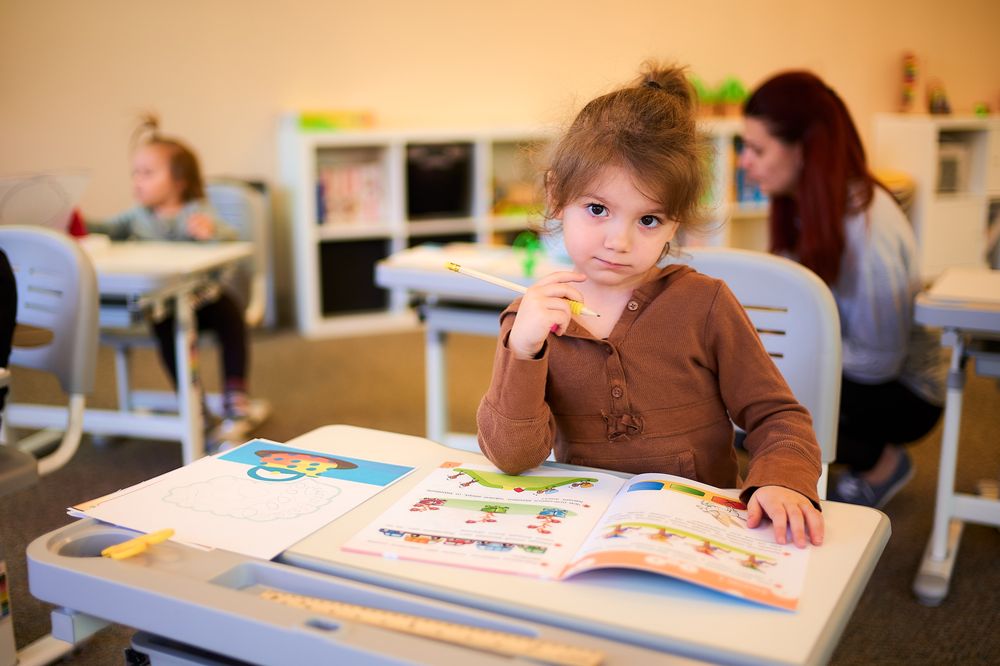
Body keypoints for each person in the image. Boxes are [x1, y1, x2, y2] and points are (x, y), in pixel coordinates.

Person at [476, 63, 824, 548]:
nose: (618, 241)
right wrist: (524, 350)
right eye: (597, 209)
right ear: (556, 196)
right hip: (587, 534)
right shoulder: (532, 319)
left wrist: (782, 480)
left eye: (648, 220)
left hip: (698, 532)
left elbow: (778, 417)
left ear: (675, 223)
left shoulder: (704, 304)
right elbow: (512, 457)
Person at [740, 71, 945, 508]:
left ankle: (881, 461)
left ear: (804, 150)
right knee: (743, 387)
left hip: (904, 393)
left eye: (757, 149)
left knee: (751, 409)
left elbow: (879, 362)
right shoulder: (806, 205)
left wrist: (783, 357)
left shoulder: (868, 231)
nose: (744, 162)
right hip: (859, 367)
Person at [91, 115, 262, 444]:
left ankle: (235, 395)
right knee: (165, 324)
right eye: (135, 173)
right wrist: (77, 221)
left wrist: (212, 232)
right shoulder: (137, 217)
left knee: (231, 312)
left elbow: (230, 239)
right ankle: (194, 404)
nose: (137, 181)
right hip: (165, 307)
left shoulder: (196, 211)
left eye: (147, 173)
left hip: (203, 300)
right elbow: (107, 229)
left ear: (179, 180)